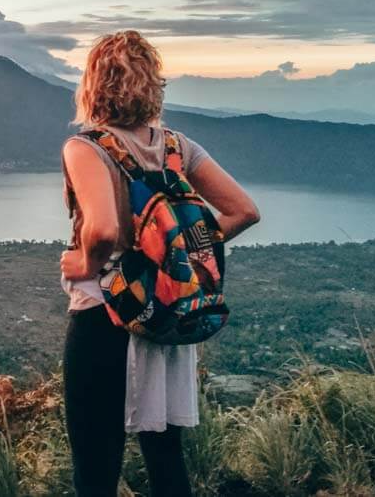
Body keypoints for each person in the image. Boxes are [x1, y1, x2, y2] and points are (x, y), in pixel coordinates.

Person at [60, 31, 260, 497]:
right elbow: (243, 212)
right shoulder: (176, 147)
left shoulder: (86, 147)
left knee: (95, 464)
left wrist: (83, 262)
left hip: (106, 316)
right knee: (166, 460)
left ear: (92, 85)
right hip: (167, 316)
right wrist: (175, 256)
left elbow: (105, 229)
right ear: (153, 84)